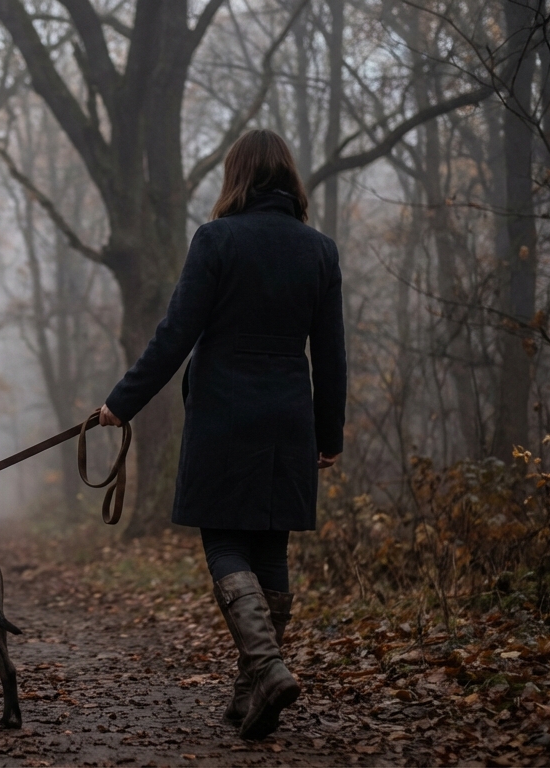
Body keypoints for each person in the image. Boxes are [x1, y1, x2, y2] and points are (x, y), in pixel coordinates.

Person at [96, 129, 346, 740]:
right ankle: (251, 695)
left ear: (236, 177)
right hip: (289, 414)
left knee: (226, 544)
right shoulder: (320, 250)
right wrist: (329, 431)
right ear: (288, 178)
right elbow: (332, 352)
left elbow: (175, 333)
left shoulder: (216, 240)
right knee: (270, 547)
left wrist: (121, 404)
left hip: (224, 413)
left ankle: (265, 667)